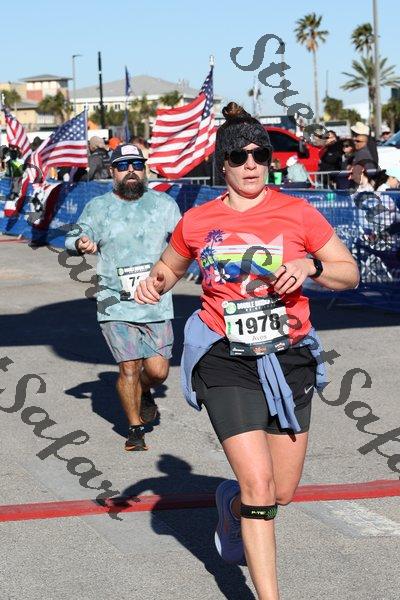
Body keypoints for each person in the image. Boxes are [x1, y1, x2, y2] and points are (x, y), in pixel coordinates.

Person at [134, 102, 359, 599]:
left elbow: (349, 273)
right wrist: (155, 283)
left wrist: (311, 268)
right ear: (224, 164)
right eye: (239, 156)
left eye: (260, 155)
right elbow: (169, 267)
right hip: (224, 358)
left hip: (289, 356)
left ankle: (230, 506)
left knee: (280, 492)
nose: (251, 164)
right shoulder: (198, 220)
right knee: (259, 487)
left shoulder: (297, 213)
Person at [65, 143, 181, 451]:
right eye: (123, 165)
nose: (131, 171)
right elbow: (73, 236)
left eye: (137, 165)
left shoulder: (164, 204)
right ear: (112, 171)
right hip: (114, 301)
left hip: (155, 301)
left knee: (157, 371)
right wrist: (81, 243)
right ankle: (134, 429)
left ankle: (144, 390)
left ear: (145, 169)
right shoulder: (98, 207)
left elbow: (184, 241)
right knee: (129, 367)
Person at [350, 122, 379, 187]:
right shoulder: (366, 145)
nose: (354, 140)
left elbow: (370, 166)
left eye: (355, 134)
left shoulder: (365, 148)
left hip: (365, 181)